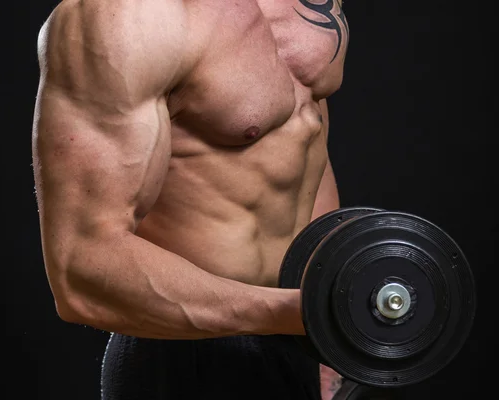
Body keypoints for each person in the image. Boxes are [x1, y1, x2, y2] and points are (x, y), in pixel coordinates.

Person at [32, 0, 349, 398]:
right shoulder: (124, 15)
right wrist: (306, 313)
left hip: (300, 341)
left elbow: (304, 138)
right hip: (187, 356)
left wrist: (327, 350)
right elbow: (83, 265)